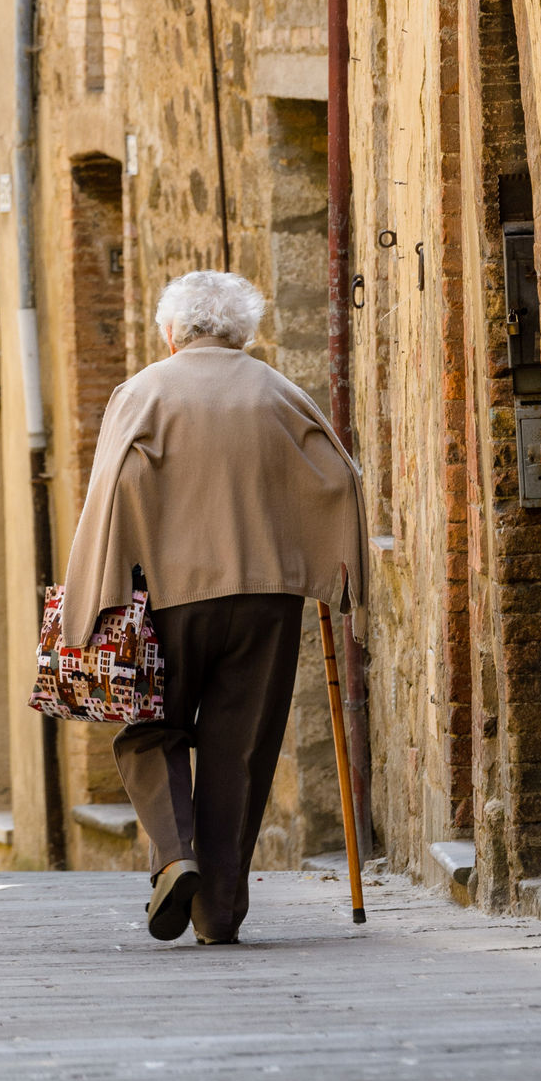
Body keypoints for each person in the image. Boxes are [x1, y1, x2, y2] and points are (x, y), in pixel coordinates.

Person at [60, 268, 368, 945]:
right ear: (242, 332)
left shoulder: (142, 392)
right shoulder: (279, 391)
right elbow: (340, 478)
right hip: (266, 600)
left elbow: (108, 490)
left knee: (147, 729)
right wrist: (326, 570)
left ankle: (176, 854)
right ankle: (219, 913)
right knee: (242, 749)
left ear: (171, 332)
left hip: (164, 599)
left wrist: (91, 594)